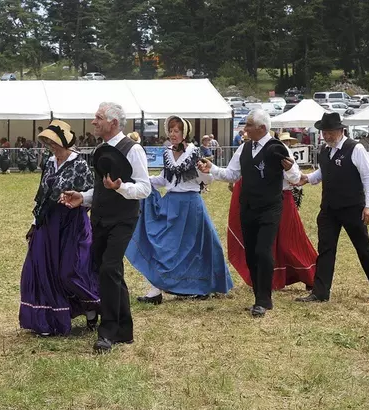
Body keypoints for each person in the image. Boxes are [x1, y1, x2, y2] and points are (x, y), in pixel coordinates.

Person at [60, 102, 151, 352]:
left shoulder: (133, 150)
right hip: (99, 217)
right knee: (107, 271)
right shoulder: (101, 150)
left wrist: (121, 187)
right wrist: (83, 197)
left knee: (110, 269)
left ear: (113, 123)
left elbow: (145, 188)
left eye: (98, 118)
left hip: (123, 219)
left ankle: (107, 331)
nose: (93, 122)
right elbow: (101, 188)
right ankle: (124, 329)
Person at [198, 109, 300, 317]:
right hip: (248, 207)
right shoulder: (244, 148)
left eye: (249, 125)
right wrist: (213, 169)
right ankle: (258, 296)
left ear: (262, 128)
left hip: (270, 207)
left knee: (264, 251)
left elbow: (295, 177)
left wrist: (289, 170)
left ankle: (264, 299)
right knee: (252, 252)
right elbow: (233, 174)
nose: (245, 129)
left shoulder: (277, 148)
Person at [129, 115, 232, 305]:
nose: (173, 134)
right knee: (164, 246)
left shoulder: (195, 152)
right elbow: (163, 179)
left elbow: (208, 180)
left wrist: (203, 171)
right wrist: (143, 181)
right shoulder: (168, 153)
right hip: (171, 203)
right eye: (171, 130)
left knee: (197, 247)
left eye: (177, 131)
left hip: (191, 205)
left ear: (185, 133)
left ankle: (202, 285)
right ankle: (155, 289)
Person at [19, 120, 100, 335]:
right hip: (48, 222)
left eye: (54, 142)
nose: (51, 147)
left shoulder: (80, 164)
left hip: (72, 223)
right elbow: (42, 195)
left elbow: (92, 195)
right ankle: (47, 320)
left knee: (70, 270)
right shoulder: (49, 162)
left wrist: (79, 200)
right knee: (40, 268)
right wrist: (35, 223)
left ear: (65, 143)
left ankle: (92, 307)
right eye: (48, 142)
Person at [295, 112, 369, 303]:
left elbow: (368, 178)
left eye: (330, 132)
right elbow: (325, 170)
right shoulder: (325, 151)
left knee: (363, 247)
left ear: (340, 130)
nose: (326, 136)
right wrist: (309, 179)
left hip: (353, 207)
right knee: (326, 248)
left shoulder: (355, 148)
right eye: (324, 132)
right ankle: (320, 292)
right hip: (329, 208)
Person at [226, 132, 316, 292]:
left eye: (287, 141)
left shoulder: (281, 152)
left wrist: (290, 171)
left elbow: (295, 178)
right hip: (264, 202)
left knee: (290, 242)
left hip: (283, 199)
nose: (285, 143)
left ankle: (313, 275)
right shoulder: (253, 152)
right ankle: (271, 279)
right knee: (269, 244)